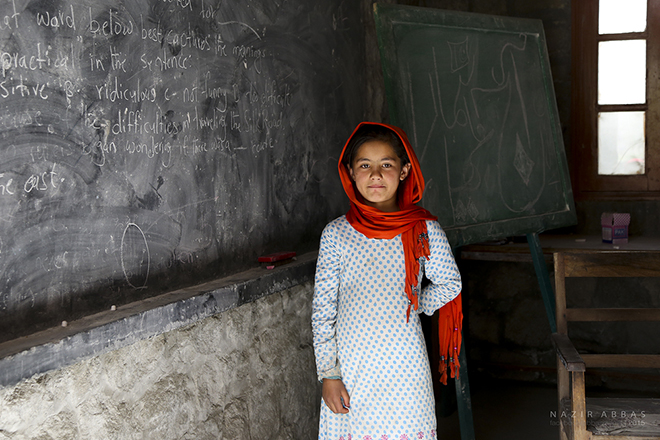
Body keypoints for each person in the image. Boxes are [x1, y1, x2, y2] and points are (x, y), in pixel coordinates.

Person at [312, 121, 463, 440]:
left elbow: (450, 282)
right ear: (351, 173)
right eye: (365, 165)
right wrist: (329, 375)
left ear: (405, 170)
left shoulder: (422, 229)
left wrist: (412, 302)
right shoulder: (337, 235)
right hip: (353, 369)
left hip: (405, 366)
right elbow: (323, 312)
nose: (376, 175)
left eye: (387, 165)